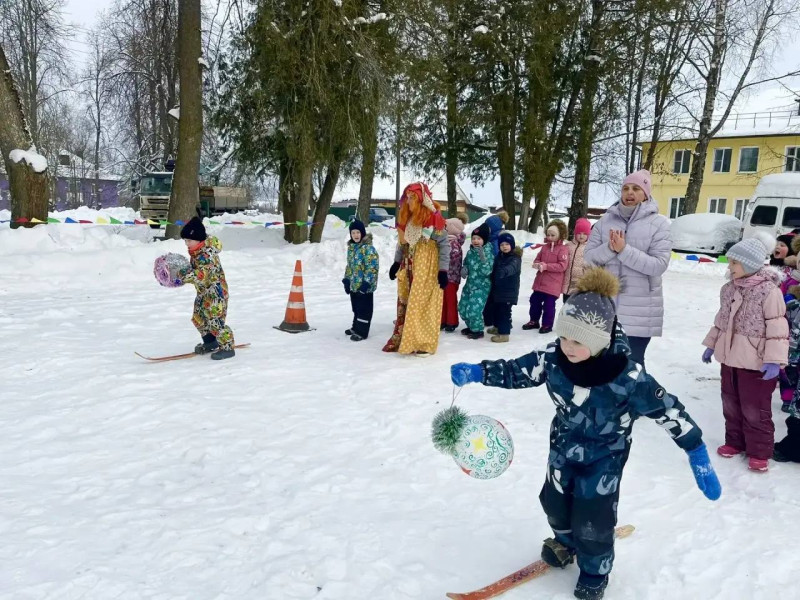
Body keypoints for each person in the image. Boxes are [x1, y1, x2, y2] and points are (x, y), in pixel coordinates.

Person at [450, 268, 720, 600]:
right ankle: (565, 543)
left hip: (605, 456)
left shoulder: (629, 377)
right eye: (564, 337)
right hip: (563, 446)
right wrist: (478, 372)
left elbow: (668, 411)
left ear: (599, 340)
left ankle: (594, 571)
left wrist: (696, 450)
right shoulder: (554, 358)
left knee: (593, 518)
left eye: (577, 341)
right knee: (554, 503)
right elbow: (517, 371)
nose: (567, 346)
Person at [701, 232, 788, 472]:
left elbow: (778, 328)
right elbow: (721, 320)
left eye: (734, 262)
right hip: (729, 358)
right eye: (730, 262)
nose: (730, 267)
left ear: (749, 264)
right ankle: (735, 442)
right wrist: (711, 344)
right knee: (730, 403)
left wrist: (774, 360)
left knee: (755, 408)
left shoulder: (769, 291)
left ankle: (759, 451)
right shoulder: (728, 289)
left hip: (756, 362)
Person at [584, 169, 671, 367]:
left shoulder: (659, 224)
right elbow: (589, 258)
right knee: (602, 367)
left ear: (646, 194)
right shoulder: (604, 222)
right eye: (626, 188)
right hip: (605, 310)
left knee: (632, 367)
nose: (629, 192)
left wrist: (624, 250)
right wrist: (609, 248)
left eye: (636, 188)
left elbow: (658, 265)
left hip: (640, 312)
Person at [383, 183, 450, 355]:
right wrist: (396, 262)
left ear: (421, 199)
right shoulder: (407, 219)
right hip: (409, 265)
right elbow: (402, 243)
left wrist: (443, 271)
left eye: (412, 197)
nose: (409, 201)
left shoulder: (434, 220)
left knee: (422, 304)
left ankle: (423, 343)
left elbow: (444, 246)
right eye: (407, 197)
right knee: (407, 302)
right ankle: (405, 338)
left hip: (427, 268)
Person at [177, 216, 236, 360]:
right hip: (203, 291)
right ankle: (210, 342)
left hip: (216, 292)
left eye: (189, 240)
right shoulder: (196, 251)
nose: (186, 244)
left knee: (214, 319)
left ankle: (227, 347)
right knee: (199, 317)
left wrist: (184, 276)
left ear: (198, 239)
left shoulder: (206, 254)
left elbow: (202, 275)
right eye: (185, 240)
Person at [523, 220, 569, 334]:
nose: (550, 237)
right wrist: (537, 264)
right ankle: (534, 320)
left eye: (553, 235)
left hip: (553, 284)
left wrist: (546, 266)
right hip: (540, 282)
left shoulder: (563, 249)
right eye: (548, 235)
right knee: (534, 300)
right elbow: (537, 258)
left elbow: (562, 266)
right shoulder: (544, 248)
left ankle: (547, 325)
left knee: (549, 305)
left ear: (560, 235)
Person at [342, 219, 379, 341]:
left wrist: (366, 284)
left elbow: (372, 268)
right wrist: (347, 280)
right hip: (354, 285)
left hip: (365, 287)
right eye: (353, 233)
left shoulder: (368, 249)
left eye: (358, 232)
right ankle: (356, 327)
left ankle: (362, 332)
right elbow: (349, 266)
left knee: (364, 310)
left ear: (362, 233)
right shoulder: (352, 248)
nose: (356, 235)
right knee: (356, 309)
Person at [459, 224, 494, 340]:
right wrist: (465, 269)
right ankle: (471, 326)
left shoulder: (488, 253)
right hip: (469, 285)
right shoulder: (470, 252)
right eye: (474, 238)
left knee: (474, 309)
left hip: (481, 287)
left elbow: (487, 271)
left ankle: (477, 330)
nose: (475, 241)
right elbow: (466, 263)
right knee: (462, 307)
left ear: (484, 240)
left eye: (479, 238)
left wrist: (483, 258)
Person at [486, 232, 522, 343]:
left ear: (512, 245)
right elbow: (494, 267)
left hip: (508, 292)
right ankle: (497, 327)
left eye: (507, 244)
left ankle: (504, 334)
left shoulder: (515, 258)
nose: (504, 246)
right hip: (498, 290)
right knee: (496, 309)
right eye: (502, 245)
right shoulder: (499, 256)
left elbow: (512, 268)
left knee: (504, 313)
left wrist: (504, 271)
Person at [482, 210, 510, 329]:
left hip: (495, 272)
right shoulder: (490, 238)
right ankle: (488, 318)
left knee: (492, 296)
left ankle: (490, 319)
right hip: (491, 271)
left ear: (493, 227)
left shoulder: (497, 240)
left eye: (488, 226)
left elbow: (497, 256)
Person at [442, 216, 468, 332]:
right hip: (445, 275)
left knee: (450, 299)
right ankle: (443, 320)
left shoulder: (453, 243)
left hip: (451, 277)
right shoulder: (448, 240)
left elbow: (454, 259)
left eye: (446, 227)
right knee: (443, 299)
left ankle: (452, 321)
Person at [562, 218, 592, 303]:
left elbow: (590, 266)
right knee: (566, 305)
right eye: (579, 233)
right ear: (575, 233)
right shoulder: (568, 246)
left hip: (580, 285)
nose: (581, 236)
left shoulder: (589, 248)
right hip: (567, 284)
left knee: (577, 307)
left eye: (584, 234)